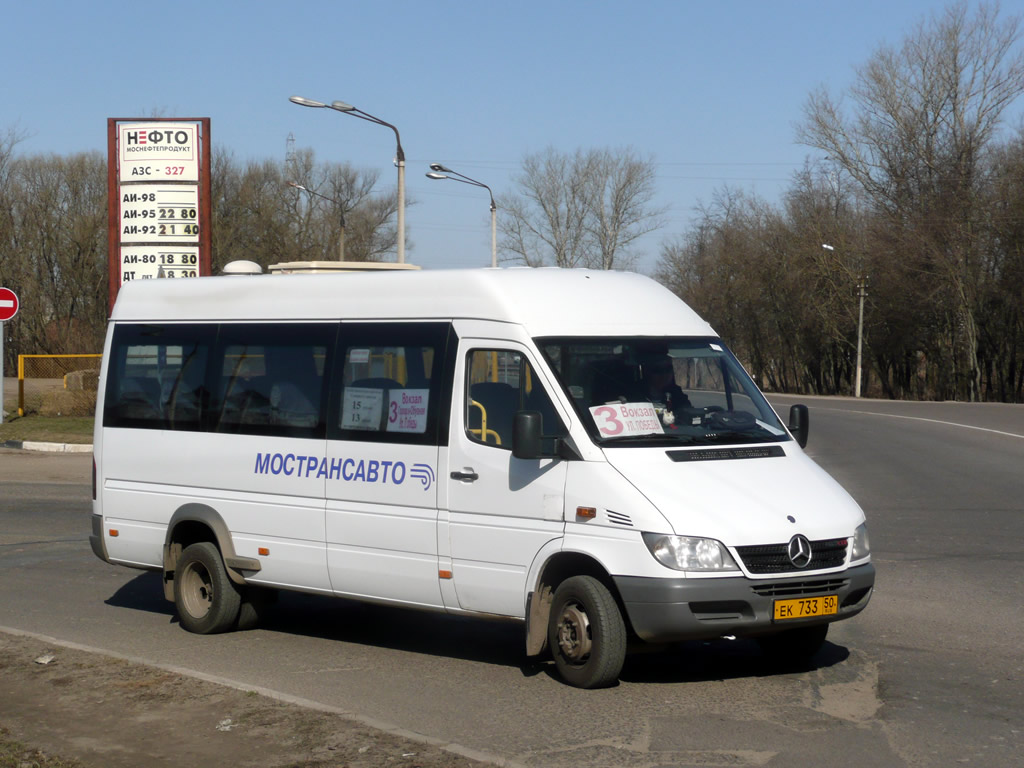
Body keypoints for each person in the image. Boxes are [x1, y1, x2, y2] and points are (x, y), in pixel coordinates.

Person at [638, 354, 691, 423]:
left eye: (668, 370)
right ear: (648, 372)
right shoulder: (635, 393)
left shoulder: (676, 394)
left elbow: (689, 413)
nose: (664, 375)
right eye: (658, 370)